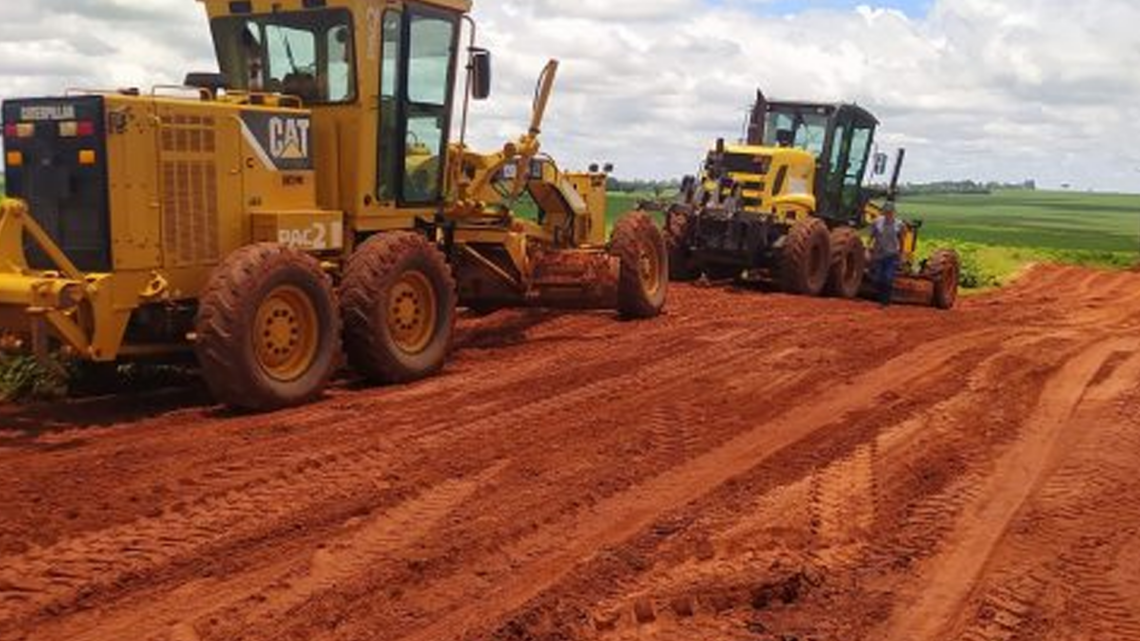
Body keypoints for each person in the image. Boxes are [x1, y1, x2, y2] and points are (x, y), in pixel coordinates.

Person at [869, 201, 907, 306]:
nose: (888, 214)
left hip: (892, 255)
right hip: (879, 254)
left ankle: (885, 301)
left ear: (893, 213)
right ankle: (880, 297)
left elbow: (902, 241)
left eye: (890, 212)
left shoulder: (899, 225)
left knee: (888, 277)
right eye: (886, 212)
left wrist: (901, 254)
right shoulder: (877, 222)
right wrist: (868, 248)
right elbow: (872, 235)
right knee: (878, 278)